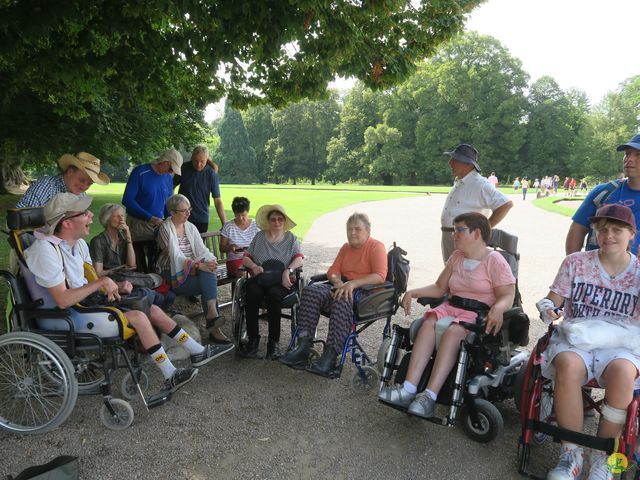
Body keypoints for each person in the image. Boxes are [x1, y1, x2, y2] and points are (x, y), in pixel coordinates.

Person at [23, 193, 229, 399]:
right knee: (140, 315)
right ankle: (170, 373)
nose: (91, 217)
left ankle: (196, 351)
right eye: (84, 213)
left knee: (154, 309)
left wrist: (117, 286)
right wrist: (101, 282)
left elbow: (88, 282)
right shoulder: (45, 251)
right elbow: (63, 299)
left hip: (86, 303)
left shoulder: (78, 245)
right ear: (67, 222)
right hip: (70, 314)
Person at [535, 204, 640, 480]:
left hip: (622, 343)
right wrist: (547, 308)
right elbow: (553, 299)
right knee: (567, 365)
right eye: (602, 229)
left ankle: (603, 457)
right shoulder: (576, 263)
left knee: (624, 372)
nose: (608, 235)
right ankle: (571, 455)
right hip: (577, 338)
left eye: (617, 230)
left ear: (632, 234)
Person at [378, 212, 515, 417]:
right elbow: (440, 287)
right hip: (452, 307)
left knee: (453, 332)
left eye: (459, 230)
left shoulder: (494, 260)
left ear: (477, 233)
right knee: (429, 321)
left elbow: (507, 295)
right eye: (454, 230)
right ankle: (408, 388)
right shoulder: (456, 257)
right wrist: (414, 292)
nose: (454, 235)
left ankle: (429, 396)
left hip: (478, 313)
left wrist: (499, 308)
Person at [280, 213, 387, 376]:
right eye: (349, 229)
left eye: (357, 229)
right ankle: (303, 346)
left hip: (365, 294)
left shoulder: (376, 247)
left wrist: (352, 284)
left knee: (342, 298)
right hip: (343, 287)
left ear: (368, 231)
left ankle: (330, 355)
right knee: (311, 291)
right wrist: (338, 283)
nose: (352, 233)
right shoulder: (346, 247)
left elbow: (380, 276)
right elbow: (333, 272)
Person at [155, 194, 234, 346]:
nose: (189, 213)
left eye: (189, 209)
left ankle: (212, 315)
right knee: (207, 280)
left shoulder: (190, 227)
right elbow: (175, 257)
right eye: (184, 211)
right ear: (172, 212)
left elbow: (202, 250)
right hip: (171, 275)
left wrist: (210, 261)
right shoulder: (165, 229)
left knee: (208, 271)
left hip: (192, 271)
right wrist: (198, 265)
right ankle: (213, 323)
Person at [240, 204, 304, 359]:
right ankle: (253, 340)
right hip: (261, 278)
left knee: (274, 295)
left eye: (280, 219)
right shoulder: (260, 237)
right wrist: (254, 266)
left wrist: (287, 271)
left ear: (284, 221)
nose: (276, 222)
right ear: (268, 221)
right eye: (273, 219)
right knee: (252, 291)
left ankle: (273, 343)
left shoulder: (291, 239)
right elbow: (246, 257)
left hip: (282, 281)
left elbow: (299, 259)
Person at [565, 134, 640, 256]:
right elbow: (578, 229)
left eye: (638, 154)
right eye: (627, 154)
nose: (629, 159)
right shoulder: (603, 192)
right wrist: (574, 268)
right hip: (593, 272)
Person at [440, 143, 513, 263]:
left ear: (468, 164)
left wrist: (484, 230)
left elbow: (506, 204)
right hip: (451, 237)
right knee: (452, 277)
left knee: (463, 278)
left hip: (465, 240)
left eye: (455, 160)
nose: (450, 163)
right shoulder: (460, 181)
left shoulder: (479, 184)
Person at [89, 203, 172, 309]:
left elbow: (132, 265)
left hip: (127, 276)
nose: (121, 219)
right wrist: (121, 267)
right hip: (111, 280)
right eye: (117, 216)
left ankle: (150, 284)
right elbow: (98, 273)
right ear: (107, 219)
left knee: (169, 296)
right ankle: (150, 283)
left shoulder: (123, 239)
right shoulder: (98, 241)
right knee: (159, 295)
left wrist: (128, 237)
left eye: (122, 216)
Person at [122, 148, 183, 272]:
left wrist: (172, 220)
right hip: (138, 225)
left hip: (158, 227)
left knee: (156, 265)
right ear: (165, 162)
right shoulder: (140, 172)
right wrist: (149, 217)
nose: (171, 172)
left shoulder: (168, 178)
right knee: (138, 267)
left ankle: (156, 289)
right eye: (171, 169)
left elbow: (168, 204)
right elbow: (127, 200)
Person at [16, 152, 109, 208]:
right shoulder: (46, 186)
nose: (84, 186)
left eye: (89, 184)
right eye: (81, 180)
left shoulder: (82, 196)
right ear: (70, 171)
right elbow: (19, 219)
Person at [174, 145, 226, 233]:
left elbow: (217, 201)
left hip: (201, 219)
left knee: (199, 246)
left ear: (207, 159)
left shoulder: (211, 173)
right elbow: (170, 187)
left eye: (202, 161)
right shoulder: (184, 168)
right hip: (181, 217)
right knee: (181, 246)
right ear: (192, 158)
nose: (198, 164)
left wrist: (224, 224)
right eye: (195, 161)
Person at [220, 197, 260, 278]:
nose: (241, 218)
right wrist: (230, 247)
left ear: (248, 212)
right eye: (237, 215)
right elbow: (222, 248)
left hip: (253, 260)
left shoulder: (256, 225)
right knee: (243, 274)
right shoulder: (228, 226)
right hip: (235, 260)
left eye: (243, 215)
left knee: (260, 272)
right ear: (234, 213)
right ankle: (245, 290)